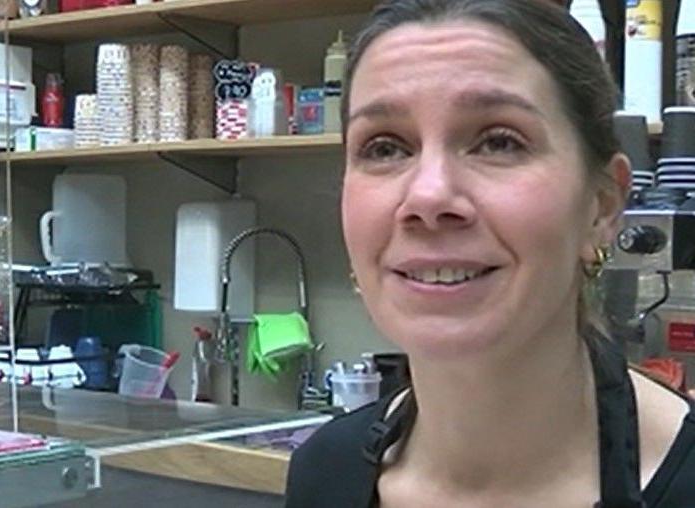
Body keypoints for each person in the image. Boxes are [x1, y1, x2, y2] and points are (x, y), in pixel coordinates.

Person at [285, 0, 695, 506]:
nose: (429, 198)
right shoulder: (325, 472)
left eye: (499, 142)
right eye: (385, 147)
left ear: (602, 206)